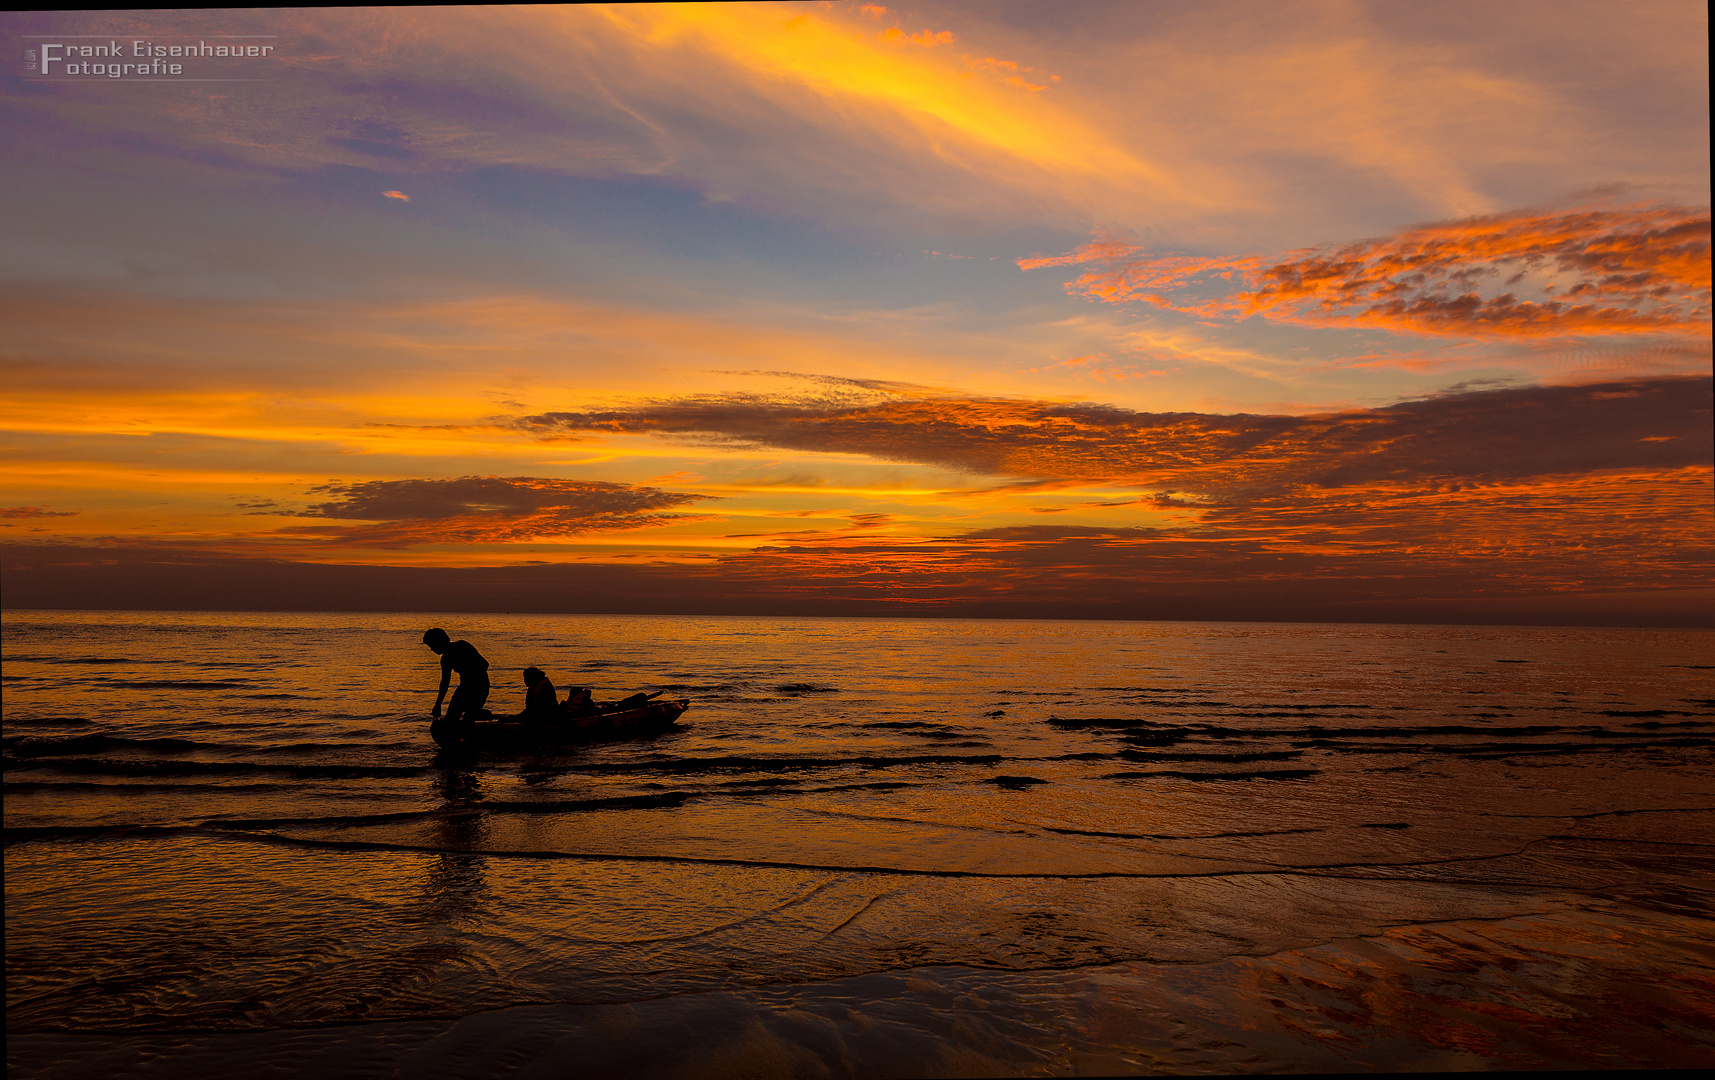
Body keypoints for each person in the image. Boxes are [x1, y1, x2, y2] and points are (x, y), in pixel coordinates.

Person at [424, 628, 490, 727]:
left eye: (432, 646)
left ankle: (484, 715)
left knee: (468, 718)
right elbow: (445, 682)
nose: (431, 650)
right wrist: (438, 704)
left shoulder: (462, 645)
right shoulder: (445, 659)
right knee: (450, 719)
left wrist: (469, 677)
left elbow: (485, 664)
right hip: (464, 688)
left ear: (438, 642)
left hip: (480, 687)